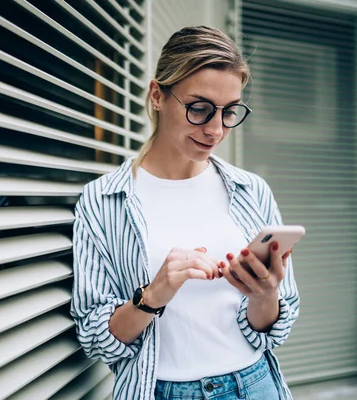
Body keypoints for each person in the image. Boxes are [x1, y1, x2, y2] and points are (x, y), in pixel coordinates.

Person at [70, 26, 299, 400]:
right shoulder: (103, 200)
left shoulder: (251, 191)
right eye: (200, 108)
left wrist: (265, 295)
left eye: (229, 112)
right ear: (157, 95)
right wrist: (154, 294)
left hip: (255, 385)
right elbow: (98, 339)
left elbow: (274, 327)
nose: (215, 129)